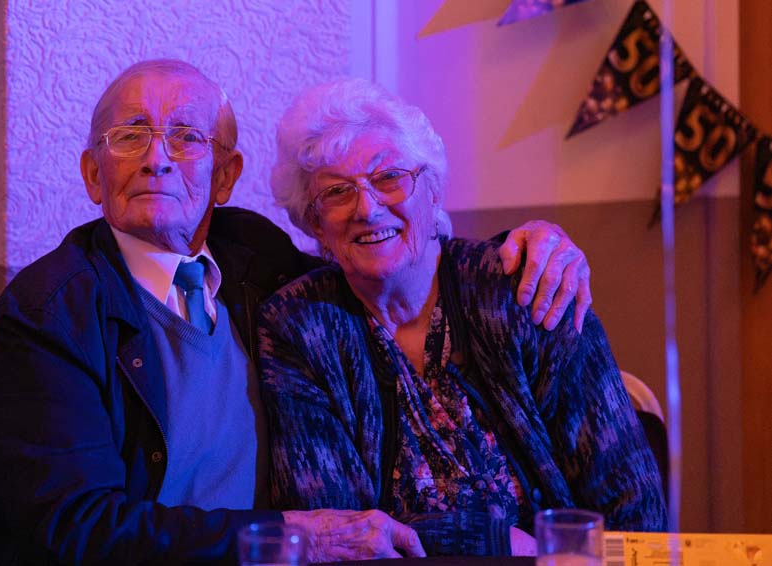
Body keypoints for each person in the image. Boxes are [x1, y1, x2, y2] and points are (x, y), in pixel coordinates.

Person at [0, 59, 593, 565]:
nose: (156, 158)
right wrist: (291, 535)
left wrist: (525, 249)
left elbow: (373, 253)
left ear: (225, 177)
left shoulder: (254, 257)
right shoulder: (47, 314)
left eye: (187, 136)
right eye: (130, 136)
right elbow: (79, 528)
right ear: (94, 175)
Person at [258, 78, 668, 559]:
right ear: (315, 225)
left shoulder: (525, 286)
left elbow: (635, 513)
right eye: (336, 193)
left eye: (389, 178)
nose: (367, 208)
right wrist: (497, 542)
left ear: (432, 193)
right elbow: (337, 532)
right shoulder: (299, 326)